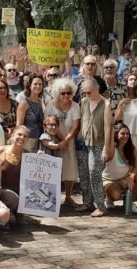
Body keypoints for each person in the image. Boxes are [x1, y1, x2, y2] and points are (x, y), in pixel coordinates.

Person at [45, 78, 81, 211]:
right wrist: (60, 139)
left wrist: (65, 140)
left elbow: (75, 125)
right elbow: (46, 121)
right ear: (57, 93)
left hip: (69, 141)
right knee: (53, 168)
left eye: (68, 93)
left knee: (70, 168)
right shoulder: (51, 104)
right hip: (53, 140)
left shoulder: (75, 106)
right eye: (63, 93)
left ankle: (68, 196)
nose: (66, 95)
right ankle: (51, 198)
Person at [77, 79, 109, 217]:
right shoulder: (84, 102)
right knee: (84, 174)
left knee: (95, 174)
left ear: (97, 89)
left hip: (98, 143)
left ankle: (101, 206)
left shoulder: (105, 104)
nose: (86, 95)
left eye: (89, 92)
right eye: (84, 92)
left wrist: (106, 148)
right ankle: (87, 203)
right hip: (84, 142)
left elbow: (108, 128)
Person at [101, 121, 137, 214]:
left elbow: (136, 167)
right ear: (116, 135)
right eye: (122, 133)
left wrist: (131, 177)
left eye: (127, 134)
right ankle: (109, 197)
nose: (125, 136)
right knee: (116, 195)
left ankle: (129, 202)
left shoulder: (131, 148)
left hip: (124, 178)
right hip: (109, 179)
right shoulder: (112, 148)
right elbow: (108, 132)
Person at [0, 126, 30, 214]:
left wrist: (40, 158)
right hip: (2, 190)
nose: (22, 137)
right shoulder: (1, 150)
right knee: (13, 199)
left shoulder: (28, 156)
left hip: (20, 191)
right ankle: (3, 215)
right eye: (19, 134)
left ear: (27, 140)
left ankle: (18, 212)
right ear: (12, 136)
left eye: (25, 136)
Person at [15, 74, 45, 152]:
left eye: (40, 84)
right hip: (27, 142)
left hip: (40, 141)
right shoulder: (24, 103)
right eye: (35, 84)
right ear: (29, 86)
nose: (38, 86)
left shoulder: (41, 102)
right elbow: (19, 125)